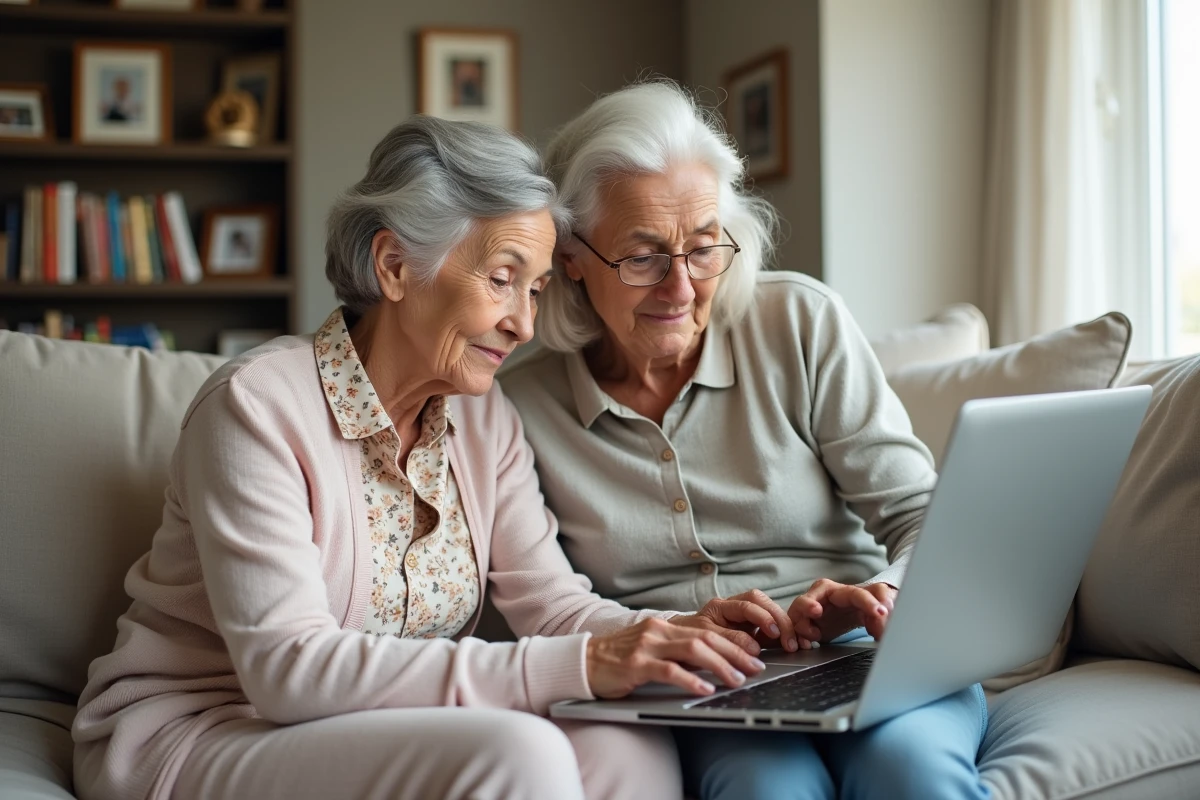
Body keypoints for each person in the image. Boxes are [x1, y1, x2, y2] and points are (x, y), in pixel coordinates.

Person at [72, 115, 778, 800]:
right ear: (395, 266)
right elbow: (287, 669)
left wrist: (679, 635)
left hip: (361, 726)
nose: (524, 324)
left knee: (625, 740)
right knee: (521, 752)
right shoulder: (257, 405)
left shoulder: (484, 418)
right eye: (501, 279)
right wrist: (578, 666)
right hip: (200, 728)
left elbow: (552, 604)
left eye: (535, 290)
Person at [501, 81, 991, 800]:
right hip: (700, 681)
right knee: (766, 789)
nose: (681, 288)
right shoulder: (519, 408)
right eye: (642, 257)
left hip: (866, 649)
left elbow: (923, 514)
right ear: (571, 255)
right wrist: (676, 628)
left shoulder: (798, 322)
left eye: (703, 248)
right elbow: (547, 606)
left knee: (909, 772)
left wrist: (883, 595)